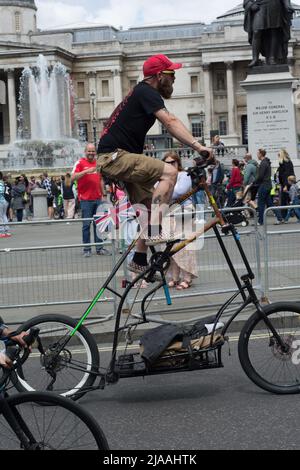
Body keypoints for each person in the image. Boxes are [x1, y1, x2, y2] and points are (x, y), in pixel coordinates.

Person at [97, 53, 212, 274]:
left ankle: (139, 259)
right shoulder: (146, 91)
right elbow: (170, 121)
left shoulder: (140, 93)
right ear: (160, 76)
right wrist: (199, 147)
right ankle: (154, 232)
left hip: (119, 156)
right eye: (172, 74)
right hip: (114, 156)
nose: (175, 78)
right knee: (170, 173)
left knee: (149, 210)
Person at [163, 152, 198, 290]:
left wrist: (164, 191)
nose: (170, 165)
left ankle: (187, 278)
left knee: (186, 246)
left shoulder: (184, 175)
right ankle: (174, 277)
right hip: (169, 213)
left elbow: (179, 192)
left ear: (178, 163)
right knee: (170, 247)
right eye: (167, 162)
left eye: (173, 162)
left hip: (184, 213)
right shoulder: (163, 176)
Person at [72, 143, 110, 257]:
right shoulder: (80, 163)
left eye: (93, 151)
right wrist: (85, 172)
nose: (91, 153)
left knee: (99, 225)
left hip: (98, 198)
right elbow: (72, 177)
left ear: (95, 152)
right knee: (86, 225)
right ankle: (87, 249)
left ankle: (100, 248)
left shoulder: (98, 163)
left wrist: (104, 194)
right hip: (85, 200)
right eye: (89, 151)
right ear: (85, 151)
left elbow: (101, 179)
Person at [244, 0, 294, 67]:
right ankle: (255, 59)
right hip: (259, 6)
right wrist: (250, 4)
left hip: (274, 5)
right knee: (256, 31)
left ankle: (272, 57)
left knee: (274, 31)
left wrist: (287, 4)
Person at [255, 149, 282, 225]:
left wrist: (254, 182)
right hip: (268, 185)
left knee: (261, 204)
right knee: (270, 203)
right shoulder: (266, 162)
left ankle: (260, 221)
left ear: (261, 154)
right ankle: (279, 218)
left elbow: (260, 176)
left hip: (263, 185)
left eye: (258, 154)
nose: (257, 155)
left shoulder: (263, 163)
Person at [275, 149, 295, 219]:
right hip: (285, 183)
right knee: (289, 200)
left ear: (281, 155)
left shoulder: (285, 163)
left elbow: (286, 174)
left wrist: (286, 185)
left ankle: (283, 217)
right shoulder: (286, 162)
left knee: (284, 200)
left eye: (279, 154)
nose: (278, 156)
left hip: (286, 184)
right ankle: (289, 214)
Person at [0, 172, 11, 238]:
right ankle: (7, 231)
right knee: (4, 215)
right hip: (4, 201)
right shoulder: (2, 182)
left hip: (0, 201)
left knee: (0, 216)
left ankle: (2, 232)